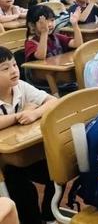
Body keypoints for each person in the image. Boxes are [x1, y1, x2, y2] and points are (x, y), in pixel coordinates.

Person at [0, 46, 59, 224]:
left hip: (23, 153)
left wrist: (34, 113)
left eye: (15, 65)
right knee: (23, 191)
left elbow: (53, 101)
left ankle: (49, 215)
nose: (13, 71)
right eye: (5, 68)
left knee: (58, 171)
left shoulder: (20, 87)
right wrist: (19, 116)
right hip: (4, 163)